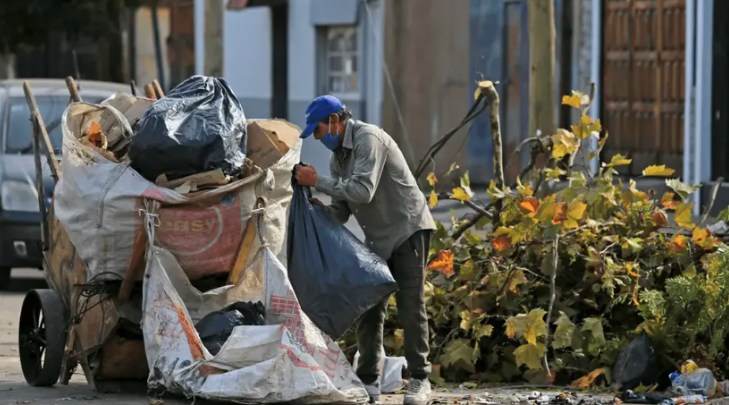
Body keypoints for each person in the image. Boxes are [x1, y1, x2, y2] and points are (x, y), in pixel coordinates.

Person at [294, 95, 436, 405]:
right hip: (378, 238)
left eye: (318, 131)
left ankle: (420, 380)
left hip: (408, 230)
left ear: (334, 121)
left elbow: (363, 191)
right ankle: (369, 381)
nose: (318, 139)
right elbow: (342, 210)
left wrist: (317, 180)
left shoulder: (367, 139)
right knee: (369, 305)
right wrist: (313, 210)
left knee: (411, 306)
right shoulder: (338, 159)